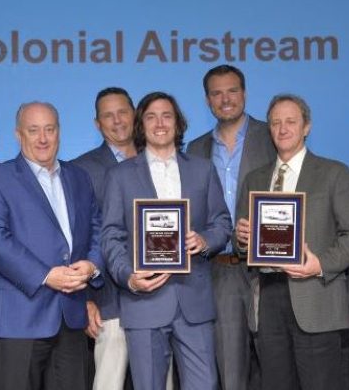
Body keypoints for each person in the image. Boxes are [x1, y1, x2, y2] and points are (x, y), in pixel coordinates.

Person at [100, 92, 231, 390]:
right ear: (141, 125)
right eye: (151, 117)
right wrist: (128, 277)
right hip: (143, 301)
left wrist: (204, 240)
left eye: (167, 116)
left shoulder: (202, 169)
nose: (160, 123)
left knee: (205, 384)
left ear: (178, 123)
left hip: (194, 301)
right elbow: (111, 235)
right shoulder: (119, 175)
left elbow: (222, 223)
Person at [234, 94, 349, 390]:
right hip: (268, 297)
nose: (283, 129)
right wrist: (241, 238)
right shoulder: (255, 179)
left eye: (291, 121)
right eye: (275, 122)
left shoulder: (333, 173)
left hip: (315, 295)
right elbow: (240, 242)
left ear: (306, 127)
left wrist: (320, 265)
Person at [0, 102, 104, 390]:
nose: (43, 138)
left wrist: (92, 264)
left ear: (59, 132)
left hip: (71, 316)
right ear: (18, 134)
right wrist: (46, 275)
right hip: (21, 317)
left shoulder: (79, 177)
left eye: (49, 129)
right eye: (33, 130)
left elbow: (97, 227)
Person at [186, 65, 275, 390]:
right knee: (231, 370)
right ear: (208, 100)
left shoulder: (272, 136)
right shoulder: (195, 150)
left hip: (270, 270)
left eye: (232, 91)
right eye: (217, 93)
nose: (225, 99)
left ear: (245, 94)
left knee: (277, 365)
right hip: (220, 269)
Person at [71, 87, 142, 390]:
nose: (117, 121)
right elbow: (77, 238)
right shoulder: (80, 170)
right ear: (97, 124)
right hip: (108, 301)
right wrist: (84, 299)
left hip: (161, 298)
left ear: (134, 114)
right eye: (108, 116)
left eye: (123, 112)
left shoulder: (161, 160)